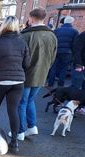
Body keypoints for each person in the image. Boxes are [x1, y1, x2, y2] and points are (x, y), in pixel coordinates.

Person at [0, 16, 31, 153]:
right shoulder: (22, 43)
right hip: (18, 81)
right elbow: (27, 64)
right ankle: (14, 142)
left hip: (0, 80)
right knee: (13, 110)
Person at [14, 8, 57, 141]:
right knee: (30, 100)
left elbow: (18, 58)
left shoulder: (25, 36)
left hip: (26, 75)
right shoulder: (52, 36)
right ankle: (31, 126)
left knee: (21, 102)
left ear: (31, 18)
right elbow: (53, 57)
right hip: (42, 74)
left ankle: (20, 131)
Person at [47, 16, 78, 88]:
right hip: (67, 52)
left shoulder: (57, 30)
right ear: (71, 22)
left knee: (53, 67)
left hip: (56, 51)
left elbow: (52, 42)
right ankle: (60, 85)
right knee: (64, 68)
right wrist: (73, 54)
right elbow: (75, 44)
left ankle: (50, 84)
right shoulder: (75, 31)